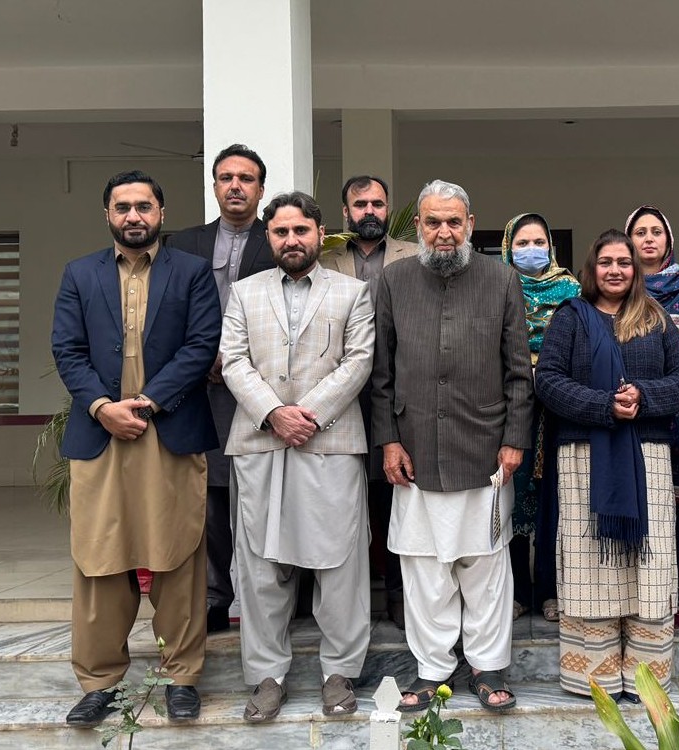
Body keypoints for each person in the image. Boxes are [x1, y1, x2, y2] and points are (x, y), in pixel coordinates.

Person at [52, 170, 220, 727]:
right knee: (99, 558)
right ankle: (99, 682)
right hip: (101, 434)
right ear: (107, 214)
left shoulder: (191, 272)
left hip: (167, 429)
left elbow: (202, 344)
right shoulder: (80, 274)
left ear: (161, 213)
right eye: (122, 207)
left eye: (143, 206)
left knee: (178, 554)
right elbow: (67, 349)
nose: (133, 216)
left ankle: (181, 677)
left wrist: (148, 402)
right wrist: (103, 407)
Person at [372, 179, 534, 713]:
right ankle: (432, 669)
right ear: (418, 226)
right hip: (414, 449)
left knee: (485, 567)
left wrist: (514, 440)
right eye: (433, 222)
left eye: (454, 222)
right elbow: (381, 373)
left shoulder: (501, 279)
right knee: (423, 569)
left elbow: (518, 372)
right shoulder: (395, 280)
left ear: (470, 225)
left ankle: (488, 667)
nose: (444, 232)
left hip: (484, 447)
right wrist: (388, 440)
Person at [219, 191, 375, 722]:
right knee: (261, 565)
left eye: (301, 230)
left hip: (329, 441)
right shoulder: (244, 293)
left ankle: (340, 673)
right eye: (281, 232)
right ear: (268, 236)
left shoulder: (352, 292)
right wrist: (273, 414)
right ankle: (267, 676)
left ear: (320, 234)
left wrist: (305, 414)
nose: (291, 240)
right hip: (260, 441)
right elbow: (233, 360)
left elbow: (359, 361)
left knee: (340, 564)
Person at [535, 229, 679, 700]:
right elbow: (548, 380)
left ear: (635, 268)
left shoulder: (655, 317)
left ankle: (645, 676)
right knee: (592, 564)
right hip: (584, 455)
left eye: (624, 262)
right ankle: (596, 676)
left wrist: (643, 397)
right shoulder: (571, 317)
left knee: (650, 562)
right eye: (606, 262)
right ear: (592, 268)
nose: (615, 270)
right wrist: (604, 405)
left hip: (648, 455)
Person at [168, 144, 275, 632]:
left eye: (246, 178)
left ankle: (274, 598)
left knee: (263, 495)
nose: (236, 186)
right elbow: (169, 310)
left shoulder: (277, 239)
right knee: (211, 497)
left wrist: (236, 360)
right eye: (226, 177)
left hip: (262, 390)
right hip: (201, 389)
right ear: (214, 186)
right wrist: (202, 358)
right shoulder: (184, 242)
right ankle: (215, 596)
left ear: (260, 189)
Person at [320, 174, 419, 629]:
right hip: (340, 394)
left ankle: (398, 595)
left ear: (387, 207)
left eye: (377, 203)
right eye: (360, 205)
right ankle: (345, 602)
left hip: (399, 391)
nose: (370, 212)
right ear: (346, 211)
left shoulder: (413, 255)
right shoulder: (325, 259)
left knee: (392, 495)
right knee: (340, 500)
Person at [624, 206, 679, 629]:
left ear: (668, 240)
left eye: (656, 231)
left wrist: (667, 377)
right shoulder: (616, 286)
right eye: (639, 232)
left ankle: (676, 593)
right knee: (639, 506)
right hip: (631, 411)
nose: (648, 238)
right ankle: (638, 592)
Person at [499, 213, 581, 623]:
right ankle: (516, 592)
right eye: (522, 243)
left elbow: (581, 342)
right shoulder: (497, 286)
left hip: (558, 411)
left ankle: (550, 590)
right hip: (509, 410)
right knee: (511, 501)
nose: (531, 250)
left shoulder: (572, 290)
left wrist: (549, 375)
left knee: (555, 499)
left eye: (538, 242)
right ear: (508, 248)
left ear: (551, 246)